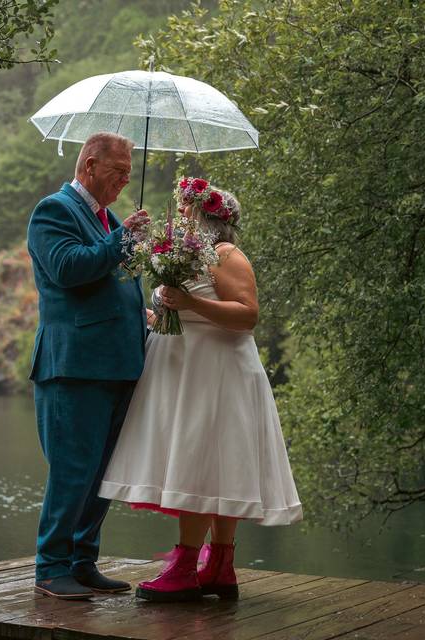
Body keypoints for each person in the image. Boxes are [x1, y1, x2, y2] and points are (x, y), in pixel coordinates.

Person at [98, 177, 302, 602]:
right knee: (213, 463)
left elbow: (246, 315)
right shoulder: (186, 255)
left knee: (201, 462)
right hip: (186, 371)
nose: (183, 216)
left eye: (190, 211)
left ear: (210, 218)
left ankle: (186, 565)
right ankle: (219, 565)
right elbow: (185, 316)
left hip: (217, 374)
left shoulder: (227, 255)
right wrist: (157, 318)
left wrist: (189, 304)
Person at [26, 132, 152, 600]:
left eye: (128, 172)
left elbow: (113, 283)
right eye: (118, 170)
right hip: (74, 367)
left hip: (117, 365)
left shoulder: (107, 218)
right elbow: (67, 269)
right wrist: (122, 239)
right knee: (73, 471)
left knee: (103, 473)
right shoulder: (53, 211)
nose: (124, 179)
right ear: (89, 166)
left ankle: (82, 562)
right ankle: (51, 566)